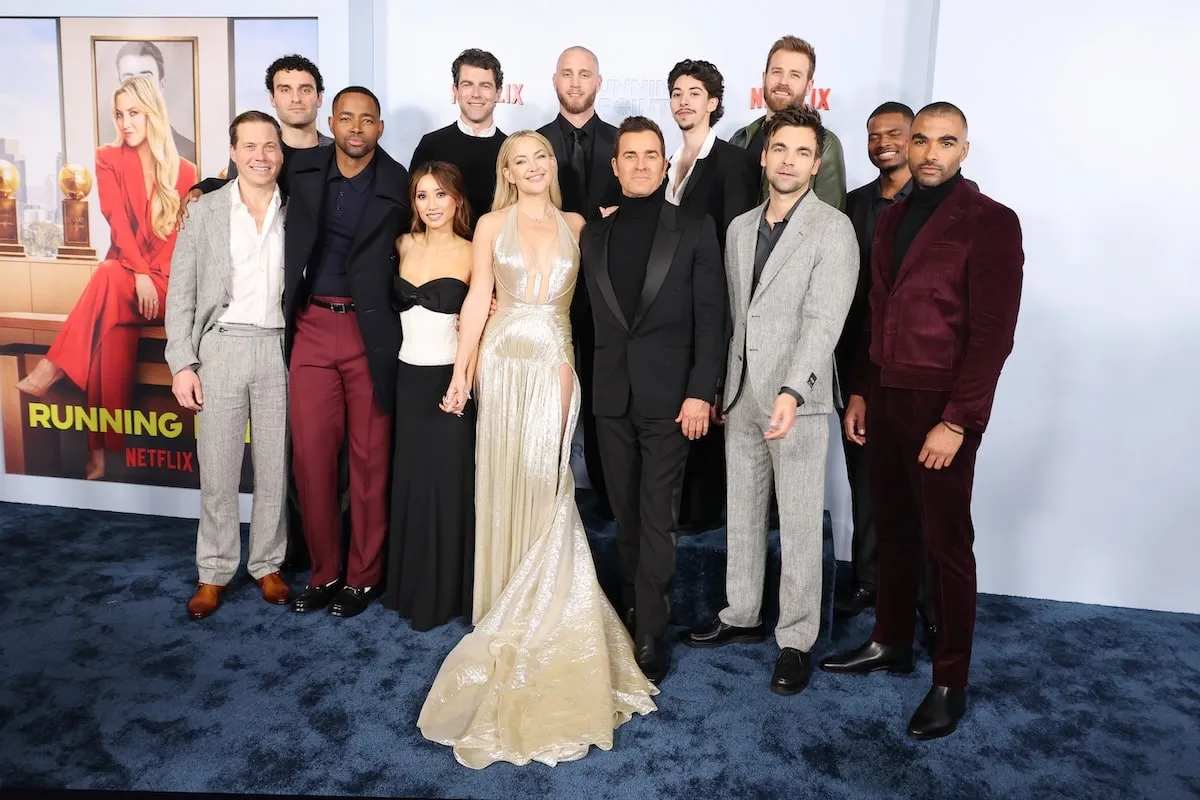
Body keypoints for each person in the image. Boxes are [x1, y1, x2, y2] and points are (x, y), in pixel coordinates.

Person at [418, 130, 658, 769]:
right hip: (501, 357)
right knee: (502, 476)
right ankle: (504, 600)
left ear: (553, 164)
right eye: (519, 159)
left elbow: (615, 269)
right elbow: (475, 300)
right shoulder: (490, 223)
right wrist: (462, 373)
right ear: (507, 169)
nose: (532, 166)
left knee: (547, 477)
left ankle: (545, 603)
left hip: (554, 358)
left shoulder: (581, 222)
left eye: (541, 157)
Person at [820, 103, 1024, 741]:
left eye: (946, 142)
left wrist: (959, 421)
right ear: (906, 146)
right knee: (892, 530)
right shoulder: (892, 220)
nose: (931, 152)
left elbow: (992, 336)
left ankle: (949, 678)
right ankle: (890, 642)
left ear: (965, 149)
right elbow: (875, 314)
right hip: (884, 394)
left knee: (945, 545)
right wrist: (858, 390)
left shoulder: (991, 223)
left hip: (943, 406)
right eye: (921, 141)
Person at [682, 106, 857, 697]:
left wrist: (791, 389)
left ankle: (797, 639)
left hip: (796, 402)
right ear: (764, 154)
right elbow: (737, 315)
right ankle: (741, 614)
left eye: (803, 152)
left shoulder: (833, 229)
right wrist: (725, 387)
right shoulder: (738, 228)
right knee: (745, 511)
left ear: (817, 162)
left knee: (803, 523)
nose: (789, 161)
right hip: (743, 394)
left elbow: (823, 320)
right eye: (780, 149)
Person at [581, 116, 725, 682]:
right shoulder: (593, 234)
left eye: (651, 155)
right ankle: (632, 608)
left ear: (666, 164)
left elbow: (712, 319)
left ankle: (649, 633)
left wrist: (700, 392)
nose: (640, 164)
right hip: (611, 396)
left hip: (671, 400)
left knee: (658, 517)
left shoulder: (693, 227)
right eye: (630, 155)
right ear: (614, 166)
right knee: (626, 514)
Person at [16, 75, 197, 480]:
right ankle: (103, 453)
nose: (125, 123)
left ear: (153, 114)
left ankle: (54, 368)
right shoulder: (107, 157)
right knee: (111, 332)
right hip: (126, 282)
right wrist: (138, 275)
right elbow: (116, 222)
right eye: (119, 114)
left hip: (166, 286)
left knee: (107, 274)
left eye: (134, 113)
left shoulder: (186, 170)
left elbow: (180, 242)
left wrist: (149, 277)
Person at [284, 86, 410, 619]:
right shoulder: (303, 168)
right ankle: (324, 571)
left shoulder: (401, 182)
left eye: (367, 120)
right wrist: (206, 186)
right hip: (312, 325)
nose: (356, 128)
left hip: (371, 332)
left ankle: (363, 577)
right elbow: (249, 180)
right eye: (347, 118)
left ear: (380, 127)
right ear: (330, 121)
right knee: (311, 459)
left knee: (369, 461)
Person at [164, 111, 290, 620]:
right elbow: (181, 295)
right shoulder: (205, 210)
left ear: (281, 154)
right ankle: (213, 571)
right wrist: (182, 363)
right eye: (250, 146)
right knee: (216, 469)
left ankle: (267, 564)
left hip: (279, 348)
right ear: (233, 153)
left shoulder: (297, 210)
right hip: (220, 348)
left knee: (274, 467)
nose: (261, 156)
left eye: (270, 146)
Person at [663, 58, 757, 534]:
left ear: (713, 103)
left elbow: (738, 246)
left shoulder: (732, 163)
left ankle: (702, 517)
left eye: (694, 93)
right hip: (671, 309)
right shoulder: (665, 163)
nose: (684, 100)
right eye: (677, 92)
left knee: (707, 407)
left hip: (714, 302)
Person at [383, 162, 476, 631]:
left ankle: (445, 595)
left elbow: (481, 324)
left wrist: (466, 380)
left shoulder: (474, 251)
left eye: (441, 194)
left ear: (457, 199)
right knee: (410, 484)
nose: (432, 205)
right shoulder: (400, 245)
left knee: (448, 487)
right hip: (405, 379)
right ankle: (408, 585)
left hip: (449, 383)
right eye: (422, 196)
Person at [536, 45, 622, 520]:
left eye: (584, 74)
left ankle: (610, 500)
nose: (575, 82)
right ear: (554, 80)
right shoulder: (534, 143)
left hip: (611, 296)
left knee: (606, 402)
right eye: (567, 73)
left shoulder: (623, 143)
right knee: (550, 403)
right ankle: (547, 501)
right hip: (549, 296)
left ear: (598, 81)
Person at [187, 54, 331, 200]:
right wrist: (203, 188)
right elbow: (235, 191)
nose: (296, 99)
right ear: (272, 98)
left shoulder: (339, 153)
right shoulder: (253, 152)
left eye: (305, 90)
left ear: (319, 98)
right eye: (285, 90)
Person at [729, 36, 846, 210]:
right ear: (764, 77)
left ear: (809, 86)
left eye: (795, 75)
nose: (783, 82)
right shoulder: (741, 138)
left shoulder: (826, 144)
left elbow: (828, 220)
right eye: (777, 72)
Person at [409, 49, 507, 226]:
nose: (476, 94)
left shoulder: (511, 149)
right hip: (441, 251)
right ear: (455, 90)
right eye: (467, 84)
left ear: (498, 93)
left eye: (485, 85)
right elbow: (412, 209)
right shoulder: (431, 145)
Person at [115, 41, 196, 163]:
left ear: (161, 85)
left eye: (146, 78)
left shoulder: (189, 153)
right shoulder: (109, 157)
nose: (137, 87)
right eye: (128, 79)